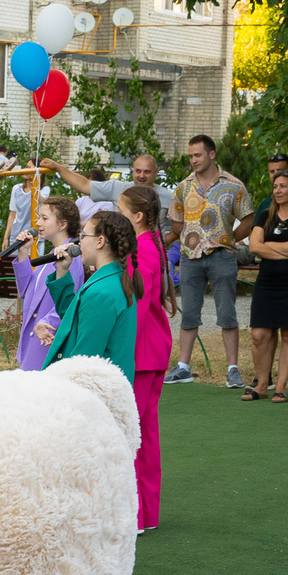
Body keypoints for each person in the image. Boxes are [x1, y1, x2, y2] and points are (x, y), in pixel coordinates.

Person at [163, 135, 249, 387]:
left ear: (212, 154)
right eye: (190, 156)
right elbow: (176, 223)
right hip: (190, 258)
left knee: (227, 313)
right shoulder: (183, 187)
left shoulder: (234, 185)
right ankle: (183, 367)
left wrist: (228, 239)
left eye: (197, 155)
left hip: (222, 256)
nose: (193, 160)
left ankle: (233, 369)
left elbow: (248, 219)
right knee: (189, 314)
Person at [116, 185, 177, 528]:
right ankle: (147, 513)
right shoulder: (153, 245)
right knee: (146, 434)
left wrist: (123, 351)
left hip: (141, 353)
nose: (116, 216)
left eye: (121, 212)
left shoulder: (142, 250)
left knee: (132, 434)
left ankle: (136, 515)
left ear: (137, 217)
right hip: (152, 349)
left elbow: (137, 307)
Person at [243, 170, 288, 402]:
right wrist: (284, 250)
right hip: (267, 282)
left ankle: (281, 387)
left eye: (283, 186)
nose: (278, 191)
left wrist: (269, 246)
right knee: (259, 335)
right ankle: (262, 384)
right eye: (275, 187)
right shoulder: (265, 216)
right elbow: (254, 246)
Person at [39, 211, 141, 372]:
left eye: (83, 235)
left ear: (100, 241)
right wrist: (62, 271)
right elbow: (73, 319)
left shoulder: (101, 292)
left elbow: (84, 359)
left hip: (93, 384)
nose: (79, 242)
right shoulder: (112, 279)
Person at [12, 194, 83, 372]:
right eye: (39, 218)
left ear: (62, 224)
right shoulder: (51, 256)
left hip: (46, 337)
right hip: (34, 338)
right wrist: (23, 252)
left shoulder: (69, 258)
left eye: (44, 218)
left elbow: (69, 301)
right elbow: (26, 291)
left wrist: (47, 322)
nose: (38, 223)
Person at [45, 153, 175, 235]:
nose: (141, 176)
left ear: (156, 172)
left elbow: (177, 228)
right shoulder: (118, 188)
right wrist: (58, 168)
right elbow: (85, 185)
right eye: (138, 171)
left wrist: (163, 244)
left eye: (147, 172)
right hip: (122, 255)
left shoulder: (168, 196)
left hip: (151, 255)